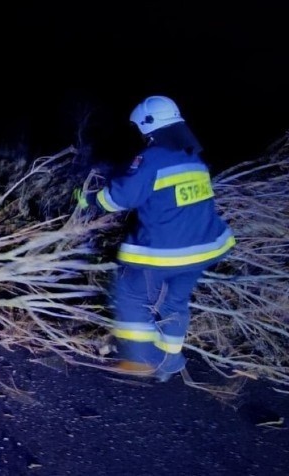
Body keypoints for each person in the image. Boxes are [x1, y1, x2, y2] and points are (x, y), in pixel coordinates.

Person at [75, 95, 235, 381]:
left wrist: (88, 199)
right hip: (204, 247)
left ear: (149, 126)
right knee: (175, 304)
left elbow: (120, 197)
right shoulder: (193, 158)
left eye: (141, 129)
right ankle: (169, 362)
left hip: (165, 251)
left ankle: (140, 361)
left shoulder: (150, 159)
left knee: (130, 295)